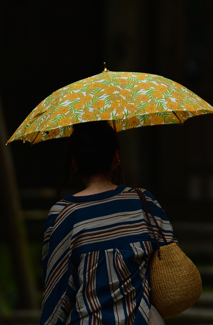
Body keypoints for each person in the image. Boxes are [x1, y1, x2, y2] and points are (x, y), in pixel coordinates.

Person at [40, 120, 174, 325]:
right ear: (115, 159)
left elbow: (58, 292)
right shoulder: (144, 202)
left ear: (75, 163)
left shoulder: (64, 214)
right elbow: (169, 263)